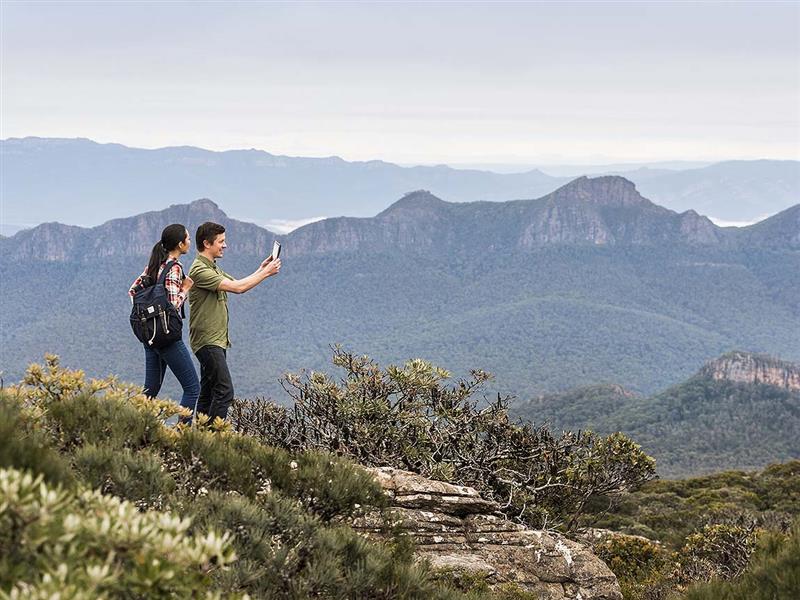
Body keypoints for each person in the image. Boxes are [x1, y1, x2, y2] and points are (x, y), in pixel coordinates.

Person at [188, 222, 281, 421]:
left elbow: (237, 282)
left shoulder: (211, 268)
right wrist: (266, 273)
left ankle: (200, 439)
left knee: (209, 392)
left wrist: (261, 268)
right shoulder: (199, 270)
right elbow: (238, 288)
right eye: (221, 241)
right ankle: (214, 439)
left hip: (216, 340)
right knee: (224, 391)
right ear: (207, 243)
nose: (225, 245)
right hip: (208, 341)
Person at [129, 224, 200, 417]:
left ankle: (133, 428)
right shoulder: (174, 268)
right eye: (187, 238)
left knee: (150, 390)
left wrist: (148, 310)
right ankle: (181, 435)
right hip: (167, 337)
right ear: (179, 244)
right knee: (193, 388)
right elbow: (171, 304)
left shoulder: (154, 264)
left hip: (149, 336)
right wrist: (185, 289)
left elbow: (133, 292)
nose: (189, 241)